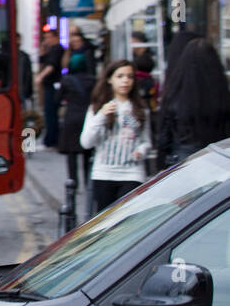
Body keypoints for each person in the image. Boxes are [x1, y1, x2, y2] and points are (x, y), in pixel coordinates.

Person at [79, 59, 151, 213]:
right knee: (106, 223)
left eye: (130, 76)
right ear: (109, 79)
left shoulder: (140, 109)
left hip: (132, 173)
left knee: (128, 220)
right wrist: (101, 116)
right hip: (104, 173)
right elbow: (86, 143)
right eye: (120, 76)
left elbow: (146, 141)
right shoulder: (98, 108)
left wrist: (141, 152)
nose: (125, 80)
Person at [157, 36, 230, 167]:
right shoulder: (222, 95)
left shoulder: (175, 95)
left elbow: (164, 137)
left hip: (183, 161)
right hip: (218, 160)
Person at [58, 34, 97, 195]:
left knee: (72, 154)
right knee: (87, 152)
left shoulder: (67, 81)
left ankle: (73, 183)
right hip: (87, 117)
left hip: (72, 118)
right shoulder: (93, 80)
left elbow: (56, 99)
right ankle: (89, 181)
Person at [36, 30, 64, 148]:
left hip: (53, 85)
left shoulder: (57, 49)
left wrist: (40, 77)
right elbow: (43, 60)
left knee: (51, 113)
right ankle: (51, 139)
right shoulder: (51, 50)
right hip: (49, 85)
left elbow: (51, 66)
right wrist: (42, 48)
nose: (47, 40)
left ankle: (51, 140)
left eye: (48, 37)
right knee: (49, 113)